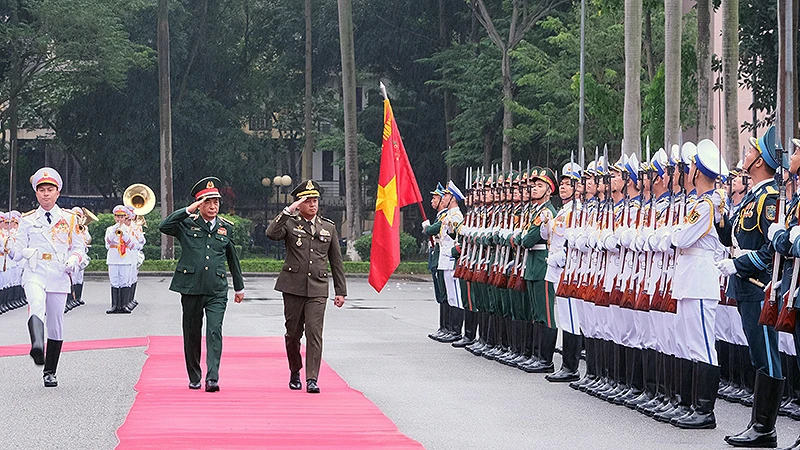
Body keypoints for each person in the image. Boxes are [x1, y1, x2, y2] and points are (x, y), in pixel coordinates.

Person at [717, 125, 785, 448]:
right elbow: (732, 236)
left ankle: (764, 428)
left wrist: (739, 265)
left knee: (767, 356)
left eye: (750, 150)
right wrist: (719, 219)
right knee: (758, 355)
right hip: (744, 287)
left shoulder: (769, 199)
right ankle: (758, 424)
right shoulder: (752, 198)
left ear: (759, 162)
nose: (746, 153)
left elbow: (770, 252)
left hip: (759, 286)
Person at [159, 176, 245, 392]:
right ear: (199, 204)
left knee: (214, 330)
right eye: (207, 202)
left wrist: (239, 286)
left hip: (216, 288)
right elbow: (164, 226)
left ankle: (213, 377)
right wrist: (188, 210)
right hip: (191, 287)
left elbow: (232, 257)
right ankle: (194, 375)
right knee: (192, 332)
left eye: (216, 202)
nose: (213, 206)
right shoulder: (186, 224)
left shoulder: (226, 227)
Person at [2, 167, 86, 387]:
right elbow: (19, 252)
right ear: (36, 194)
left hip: (59, 272)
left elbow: (79, 248)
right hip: (35, 271)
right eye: (42, 190)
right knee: (36, 303)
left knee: (56, 323)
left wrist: (73, 260)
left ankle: (50, 371)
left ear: (57, 192)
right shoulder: (27, 220)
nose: (46, 194)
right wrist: (9, 247)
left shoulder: (69, 219)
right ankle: (37, 345)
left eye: (50, 189)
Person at [266, 179, 346, 394]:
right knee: (293, 334)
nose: (313, 205)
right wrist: (287, 211)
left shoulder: (328, 227)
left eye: (315, 200)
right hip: (293, 286)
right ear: (298, 204)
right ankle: (295, 370)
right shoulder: (290, 223)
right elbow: (271, 233)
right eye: (308, 201)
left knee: (314, 332)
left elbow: (336, 260)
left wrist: (341, 291)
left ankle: (312, 378)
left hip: (318, 288)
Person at [105, 205, 141, 314]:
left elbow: (134, 245)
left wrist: (124, 235)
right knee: (115, 281)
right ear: (114, 217)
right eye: (117, 216)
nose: (119, 219)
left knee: (124, 281)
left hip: (126, 259)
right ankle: (115, 305)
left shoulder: (130, 230)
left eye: (122, 216)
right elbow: (107, 243)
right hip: (113, 258)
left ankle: (124, 305)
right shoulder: (110, 229)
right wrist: (115, 231)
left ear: (125, 217)